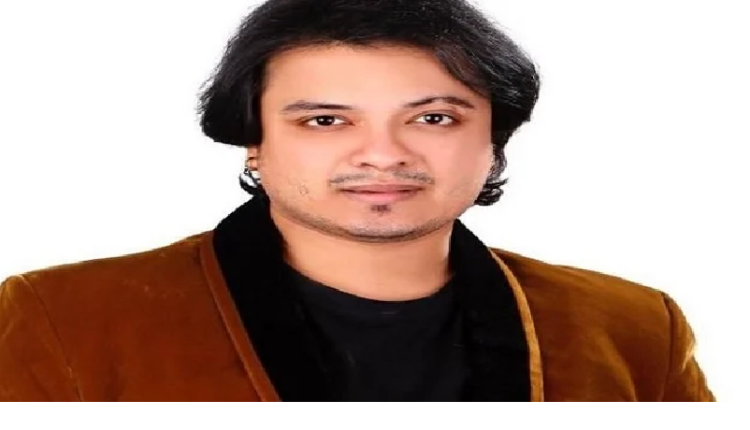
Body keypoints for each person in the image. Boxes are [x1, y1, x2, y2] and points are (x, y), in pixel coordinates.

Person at [0, 0, 714, 402]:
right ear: (253, 141)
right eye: (325, 120)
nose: (383, 154)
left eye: (433, 117)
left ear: (494, 141)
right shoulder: (66, 317)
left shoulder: (629, 327)